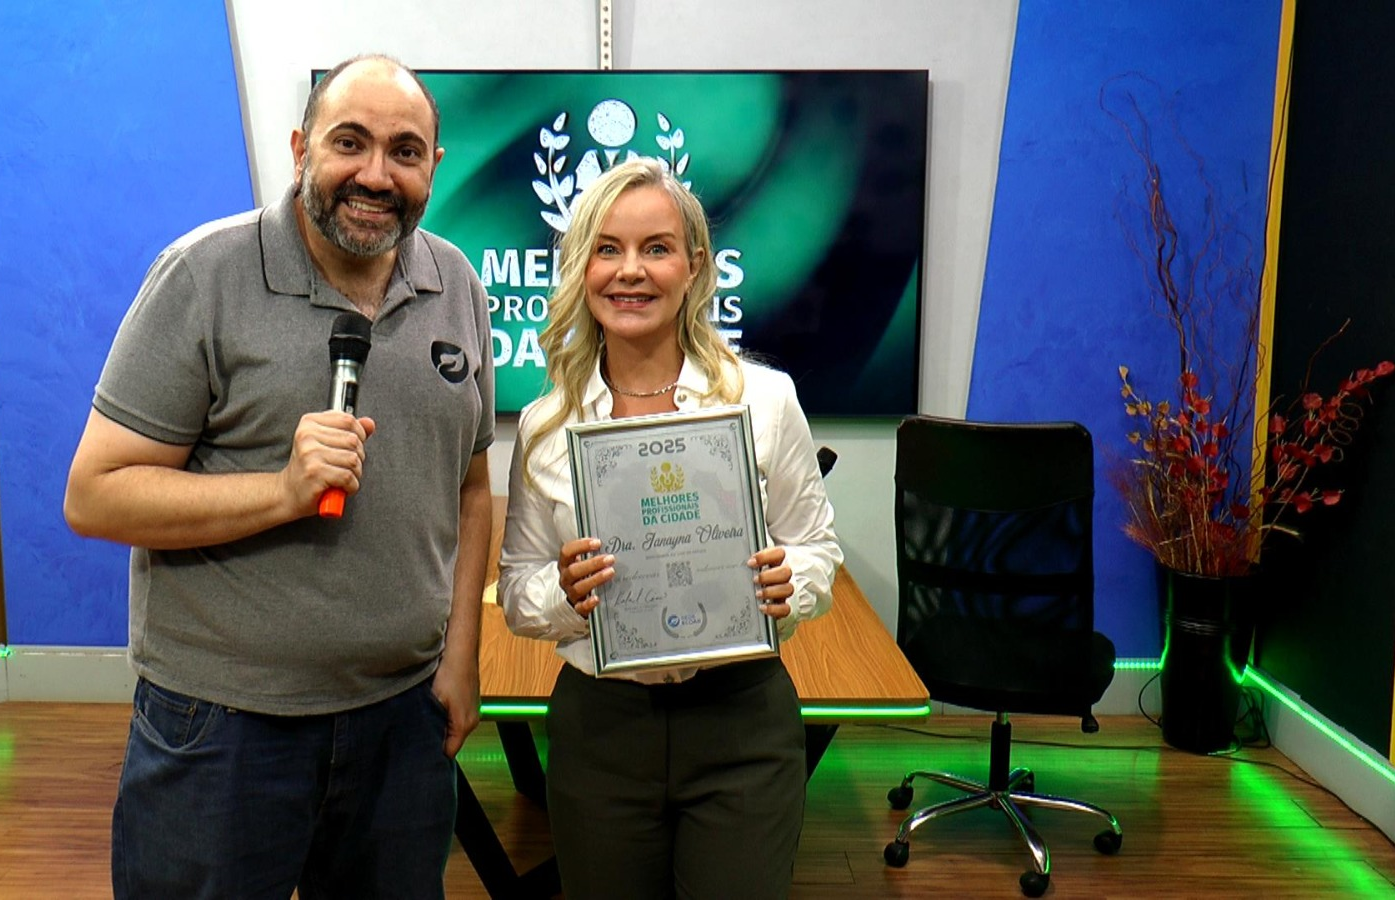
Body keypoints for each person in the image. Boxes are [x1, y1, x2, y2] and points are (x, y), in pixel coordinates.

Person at [63, 54, 493, 899]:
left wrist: (462, 656)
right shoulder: (202, 276)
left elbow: (472, 489)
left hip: (402, 723)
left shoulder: (456, 284)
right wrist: (282, 491)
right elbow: (96, 493)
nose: (376, 175)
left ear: (434, 167)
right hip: (221, 731)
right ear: (301, 148)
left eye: (405, 152)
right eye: (350, 143)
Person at [497, 158, 842, 899]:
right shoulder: (546, 427)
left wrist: (792, 582)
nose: (631, 271)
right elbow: (518, 590)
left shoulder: (765, 401)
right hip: (601, 730)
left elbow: (818, 549)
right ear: (581, 268)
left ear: (694, 266)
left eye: (656, 248)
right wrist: (566, 595)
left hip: (742, 722)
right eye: (607, 249)